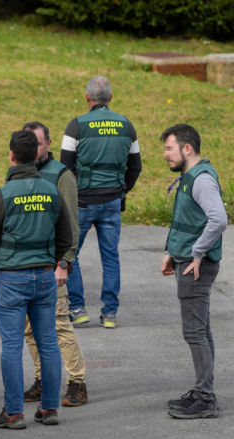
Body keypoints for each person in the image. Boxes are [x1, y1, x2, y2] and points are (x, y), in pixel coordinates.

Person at [0, 130, 73, 429]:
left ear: (12, 155)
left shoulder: (2, 195)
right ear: (37, 155)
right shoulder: (52, 190)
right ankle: (49, 409)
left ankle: (15, 412)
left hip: (11, 279)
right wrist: (54, 262)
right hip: (44, 277)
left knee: (11, 347)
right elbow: (66, 237)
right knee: (49, 344)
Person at [61, 76, 143, 328]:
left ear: (87, 97)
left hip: (82, 202)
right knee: (110, 257)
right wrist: (121, 190)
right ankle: (109, 314)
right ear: (111, 97)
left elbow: (65, 168)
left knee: (70, 255)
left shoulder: (75, 126)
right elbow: (135, 167)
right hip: (112, 202)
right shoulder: (126, 125)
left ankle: (78, 308)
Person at [159, 124, 227, 419]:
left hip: (195, 266)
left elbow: (218, 219)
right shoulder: (190, 177)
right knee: (201, 330)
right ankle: (203, 390)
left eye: (169, 148)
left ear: (187, 149)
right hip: (184, 260)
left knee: (195, 332)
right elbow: (187, 220)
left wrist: (197, 253)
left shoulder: (201, 180)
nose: (165, 155)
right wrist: (170, 253)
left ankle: (205, 398)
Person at [21, 121, 88, 407]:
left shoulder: (62, 175)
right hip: (23, 265)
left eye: (37, 142)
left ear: (48, 143)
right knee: (28, 329)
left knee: (59, 324)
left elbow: (72, 226)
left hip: (51, 265)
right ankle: (42, 380)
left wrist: (65, 263)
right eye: (28, 143)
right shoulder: (19, 174)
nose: (33, 148)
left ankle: (77, 383)